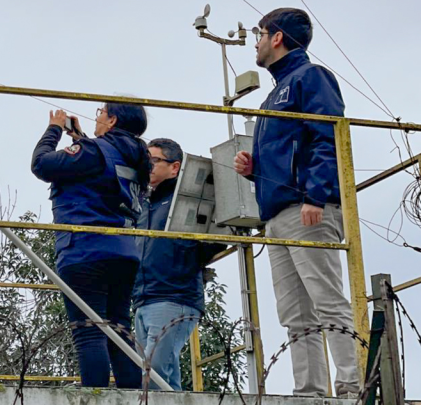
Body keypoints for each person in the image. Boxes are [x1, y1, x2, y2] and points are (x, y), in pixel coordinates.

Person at [233, 8, 360, 397]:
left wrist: (315, 195)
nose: (254, 41)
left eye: (259, 33)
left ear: (277, 37)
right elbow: (293, 150)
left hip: (309, 208)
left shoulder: (311, 77)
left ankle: (353, 385)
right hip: (279, 212)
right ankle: (310, 390)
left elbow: (326, 136)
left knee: (327, 301)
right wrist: (255, 168)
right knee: (294, 313)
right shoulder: (275, 92)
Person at [31, 103, 151, 388]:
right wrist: (81, 141)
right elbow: (103, 176)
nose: (96, 117)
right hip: (123, 251)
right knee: (118, 329)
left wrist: (54, 130)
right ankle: (133, 396)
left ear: (112, 120)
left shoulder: (95, 151)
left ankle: (95, 396)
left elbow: (41, 164)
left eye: (101, 112)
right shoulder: (138, 157)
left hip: (85, 249)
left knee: (89, 331)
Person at [133, 138, 226, 390]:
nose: (147, 166)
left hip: (174, 295)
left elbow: (217, 239)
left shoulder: (189, 201)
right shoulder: (143, 204)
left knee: (154, 372)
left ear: (175, 167)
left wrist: (185, 255)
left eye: (154, 160)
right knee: (160, 376)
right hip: (143, 297)